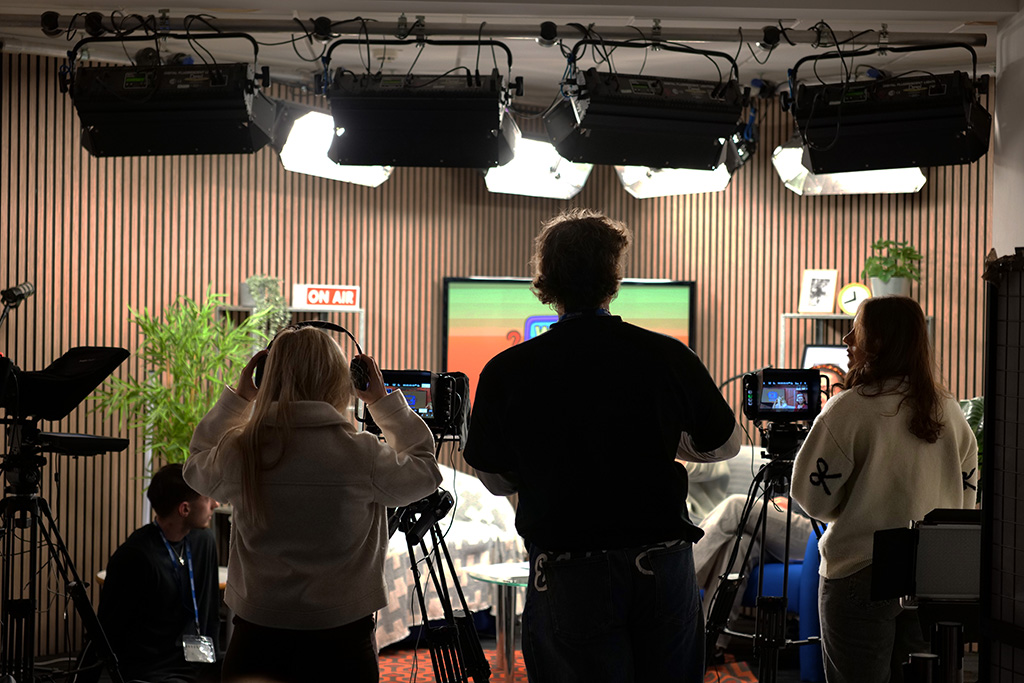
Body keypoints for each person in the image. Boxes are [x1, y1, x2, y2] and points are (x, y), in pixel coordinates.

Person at [462, 209, 743, 683]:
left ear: (545, 281)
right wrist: (666, 439)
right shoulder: (668, 354)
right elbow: (727, 444)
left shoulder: (507, 370)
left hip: (570, 575)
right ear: (613, 277)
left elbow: (493, 478)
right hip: (663, 566)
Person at [184, 325, 442, 683]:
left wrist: (238, 399)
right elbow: (426, 471)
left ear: (265, 378)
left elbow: (195, 463)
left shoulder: (241, 452)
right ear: (343, 380)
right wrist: (383, 403)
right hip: (342, 645)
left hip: (256, 641)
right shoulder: (362, 454)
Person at [791, 296, 978, 683]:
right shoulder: (949, 410)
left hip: (861, 571)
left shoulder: (848, 409)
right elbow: (967, 496)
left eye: (855, 330)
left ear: (877, 341)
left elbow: (810, 497)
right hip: (931, 576)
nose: (846, 339)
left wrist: (851, 506)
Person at [97, 463, 221, 683]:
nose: (215, 504)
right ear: (184, 509)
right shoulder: (135, 556)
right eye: (207, 498)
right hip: (154, 671)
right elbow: (108, 630)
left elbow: (210, 611)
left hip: (199, 661)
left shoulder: (204, 542)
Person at [695, 493, 814, 654]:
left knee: (736, 504)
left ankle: (681, 580)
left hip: (817, 528)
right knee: (738, 545)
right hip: (780, 531)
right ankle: (708, 646)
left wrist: (792, 504)